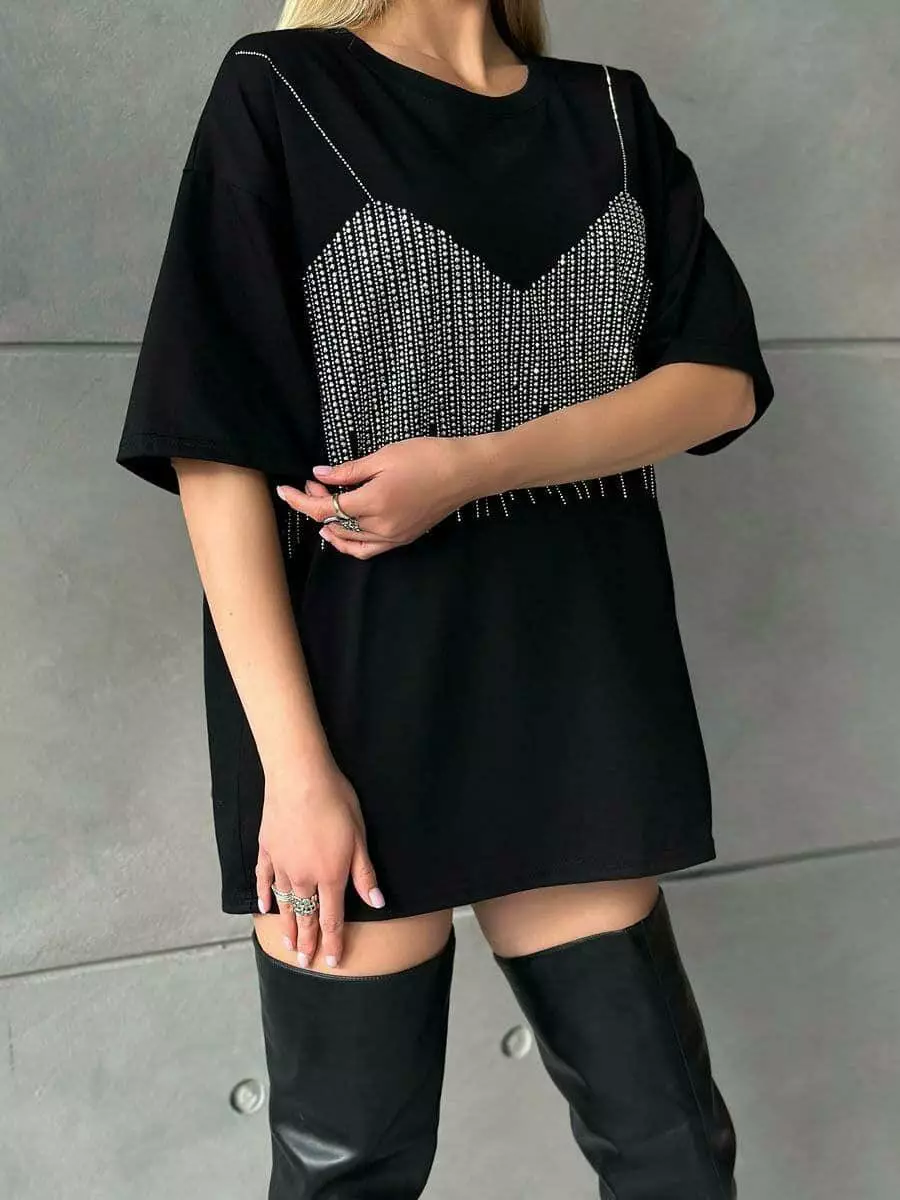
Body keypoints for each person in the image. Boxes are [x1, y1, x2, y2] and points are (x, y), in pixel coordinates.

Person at [115, 1, 773, 1195]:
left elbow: (719, 383)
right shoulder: (283, 89)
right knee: (350, 1170)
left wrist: (476, 465)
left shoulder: (609, 113)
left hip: (580, 688)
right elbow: (211, 446)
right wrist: (295, 774)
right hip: (356, 701)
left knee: (674, 1152)